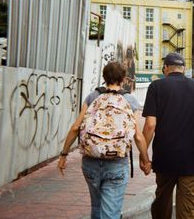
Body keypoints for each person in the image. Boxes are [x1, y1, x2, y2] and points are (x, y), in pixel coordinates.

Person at [58, 61, 151, 219]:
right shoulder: (130, 100)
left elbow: (75, 128)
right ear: (123, 79)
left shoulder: (93, 96)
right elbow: (138, 136)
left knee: (97, 206)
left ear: (104, 77)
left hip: (90, 161)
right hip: (116, 163)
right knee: (110, 213)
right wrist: (145, 159)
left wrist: (64, 154)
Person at [140, 52, 194, 219]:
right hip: (193, 157)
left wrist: (144, 155)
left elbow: (150, 125)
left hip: (165, 157)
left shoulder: (156, 87)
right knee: (188, 206)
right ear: (184, 69)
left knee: (162, 200)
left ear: (165, 68)